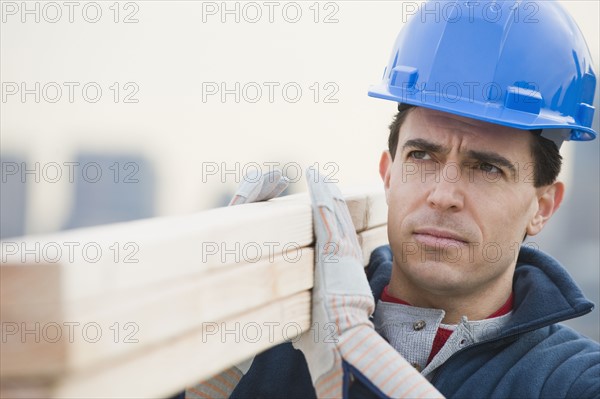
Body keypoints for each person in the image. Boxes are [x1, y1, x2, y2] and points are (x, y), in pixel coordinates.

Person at [184, 1, 600, 398]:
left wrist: (359, 353)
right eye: (422, 156)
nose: (442, 195)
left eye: (487, 168)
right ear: (388, 174)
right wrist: (201, 339)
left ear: (542, 206)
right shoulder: (268, 343)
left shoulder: (576, 381)